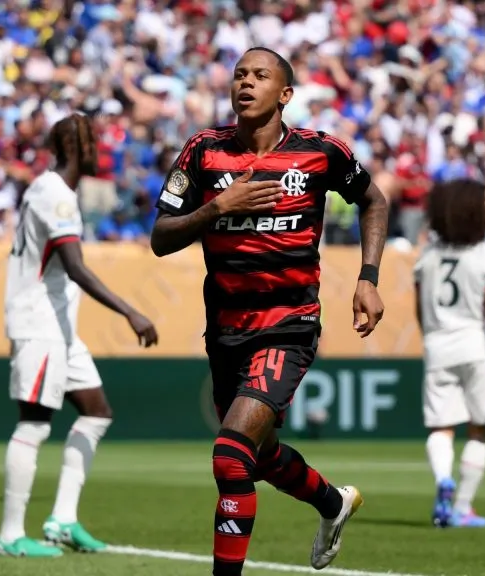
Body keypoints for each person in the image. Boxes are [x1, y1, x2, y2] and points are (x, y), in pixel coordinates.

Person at [150, 47, 389, 574]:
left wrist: (367, 279)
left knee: (230, 455)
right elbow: (160, 237)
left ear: (284, 95)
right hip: (226, 328)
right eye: (239, 74)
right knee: (257, 457)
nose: (246, 82)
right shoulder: (202, 151)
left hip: (289, 324)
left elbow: (375, 200)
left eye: (260, 75)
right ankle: (332, 502)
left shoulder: (320, 153)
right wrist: (217, 208)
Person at [0, 114, 159, 558]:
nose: (98, 152)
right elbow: (75, 266)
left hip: (59, 326)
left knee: (96, 412)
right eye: (92, 144)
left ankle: (62, 520)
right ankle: (11, 534)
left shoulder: (47, 188)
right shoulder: (57, 197)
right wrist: (131, 312)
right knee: (33, 423)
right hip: (39, 324)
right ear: (74, 148)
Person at [413, 179, 485, 530]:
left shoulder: (427, 254)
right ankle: (462, 508)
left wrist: (431, 338)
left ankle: (443, 478)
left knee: (442, 427)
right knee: (478, 429)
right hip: (477, 347)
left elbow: (419, 308)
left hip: (438, 345)